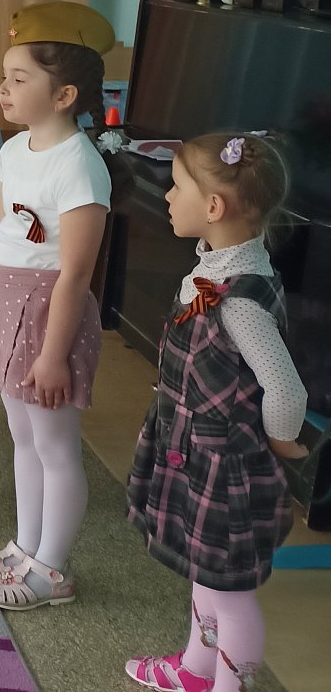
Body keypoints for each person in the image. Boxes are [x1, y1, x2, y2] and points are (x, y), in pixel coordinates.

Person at [124, 132, 307, 692]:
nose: (167, 196)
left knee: (231, 593)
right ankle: (196, 670)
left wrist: (280, 444)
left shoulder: (239, 300)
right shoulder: (218, 269)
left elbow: (286, 391)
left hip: (225, 467)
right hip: (194, 450)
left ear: (213, 207)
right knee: (208, 578)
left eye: (176, 186)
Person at [0, 1, 115, 608]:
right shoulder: (15, 148)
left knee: (55, 447)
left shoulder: (81, 166)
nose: (4, 88)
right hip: (5, 300)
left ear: (64, 95)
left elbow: (75, 273)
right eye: (5, 76)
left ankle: (52, 569)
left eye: (19, 79)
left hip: (49, 315)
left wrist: (53, 357)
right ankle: (25, 549)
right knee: (21, 438)